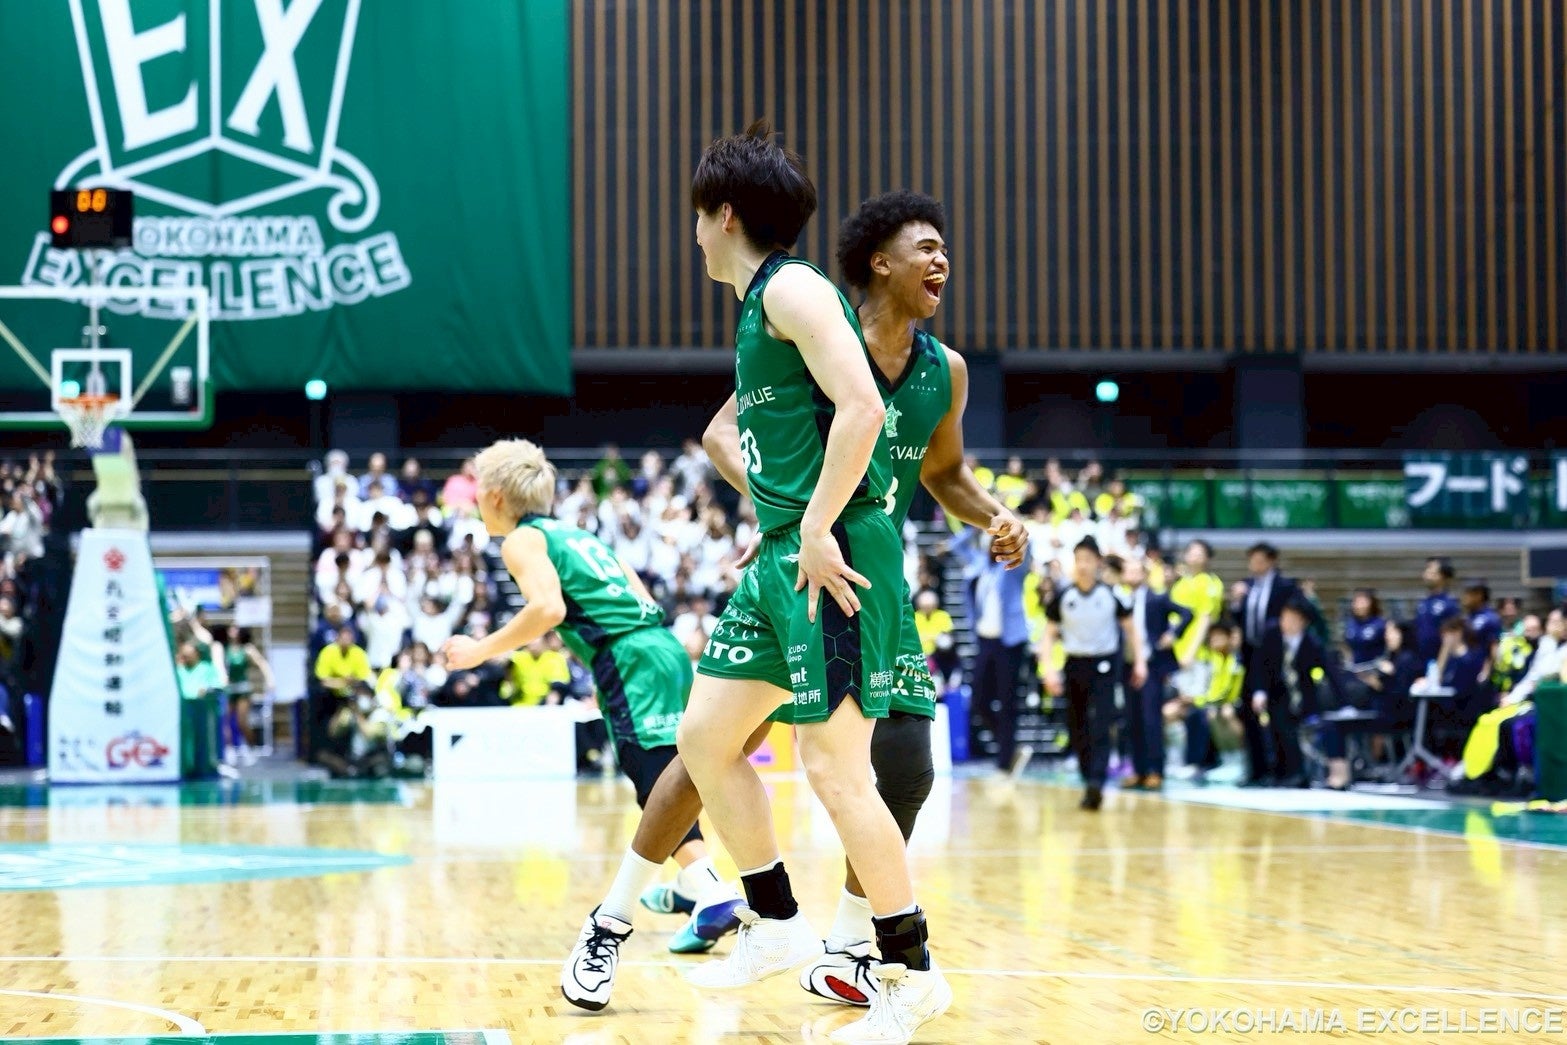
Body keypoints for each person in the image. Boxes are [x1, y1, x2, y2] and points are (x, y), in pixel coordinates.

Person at [674, 128, 953, 1043]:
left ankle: (909, 972)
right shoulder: (759, 304)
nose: (695, 237)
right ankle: (780, 917)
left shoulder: (790, 287)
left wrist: (822, 523)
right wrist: (791, 517)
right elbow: (754, 441)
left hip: (825, 550)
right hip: (780, 550)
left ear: (723, 216)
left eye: (698, 220)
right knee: (707, 736)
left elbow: (864, 407)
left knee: (838, 769)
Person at [438, 439, 741, 1012]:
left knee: (655, 784)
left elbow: (548, 610)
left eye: (478, 487)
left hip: (629, 661)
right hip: (663, 648)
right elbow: (642, 595)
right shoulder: (579, 535)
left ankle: (710, 890)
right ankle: (701, 889)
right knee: (672, 781)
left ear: (495, 496)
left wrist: (480, 651)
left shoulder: (524, 540)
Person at [1038, 537, 1148, 810]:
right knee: (1077, 727)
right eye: (1078, 560)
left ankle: (1096, 783)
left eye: (1088, 559)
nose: (1083, 565)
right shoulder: (1064, 596)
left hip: (1105, 666)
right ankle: (1088, 779)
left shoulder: (1112, 595)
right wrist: (1049, 671)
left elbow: (1131, 630)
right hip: (1075, 665)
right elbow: (1048, 637)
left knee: (1101, 725)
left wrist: (1140, 662)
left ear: (1098, 563)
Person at [1246, 598, 1347, 788]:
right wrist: (1259, 691)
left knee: (1296, 729)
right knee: (1275, 726)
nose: (1286, 622)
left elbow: (1331, 672)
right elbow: (1259, 666)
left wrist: (1344, 702)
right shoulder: (1271, 635)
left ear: (1303, 621)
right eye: (1284, 617)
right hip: (1277, 694)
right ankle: (1276, 772)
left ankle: (1299, 774)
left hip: (1304, 697)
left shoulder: (1311, 642)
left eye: (1292, 618)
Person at [1118, 557, 1192, 791]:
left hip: (1151, 666)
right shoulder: (1121, 599)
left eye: (1135, 569)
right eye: (1127, 569)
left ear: (1144, 574)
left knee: (1151, 720)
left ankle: (1155, 771)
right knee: (1132, 719)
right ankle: (1138, 771)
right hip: (1128, 666)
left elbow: (1187, 613)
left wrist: (1173, 634)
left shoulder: (1157, 599)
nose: (1130, 573)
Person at [1414, 557, 1460, 665]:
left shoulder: (1449, 604)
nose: (1426, 574)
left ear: (1442, 576)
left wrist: (1440, 668)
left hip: (1438, 663)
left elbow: (1450, 638)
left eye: (1431, 570)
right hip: (1420, 662)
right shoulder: (1423, 603)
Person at [1342, 589, 1387, 671]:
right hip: (1354, 668)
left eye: (1362, 602)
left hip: (1373, 668)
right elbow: (1347, 644)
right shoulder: (1351, 623)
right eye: (1356, 602)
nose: (1359, 606)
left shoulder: (1379, 624)